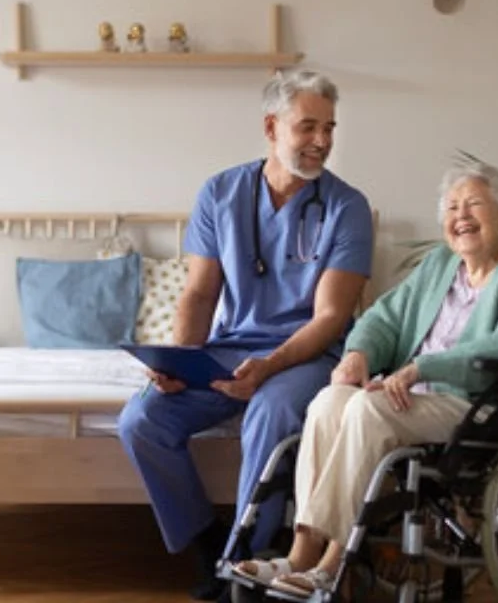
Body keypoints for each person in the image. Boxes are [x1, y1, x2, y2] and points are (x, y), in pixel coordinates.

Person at [228, 161, 498, 597]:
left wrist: (423, 368)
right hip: (408, 397)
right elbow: (384, 318)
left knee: (369, 408)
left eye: (474, 205)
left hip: (474, 402)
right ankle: (301, 551)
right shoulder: (441, 264)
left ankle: (333, 565)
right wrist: (357, 354)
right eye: (452, 207)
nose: (460, 216)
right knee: (331, 399)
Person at [117, 69, 375, 600]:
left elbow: (330, 318)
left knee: (271, 412)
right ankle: (207, 542)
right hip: (231, 346)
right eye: (308, 127)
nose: (322, 141)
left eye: (329, 128)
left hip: (309, 354)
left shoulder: (347, 208)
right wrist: (176, 361)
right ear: (271, 126)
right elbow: (198, 293)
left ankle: (247, 557)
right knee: (141, 418)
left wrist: (269, 367)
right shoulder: (221, 192)